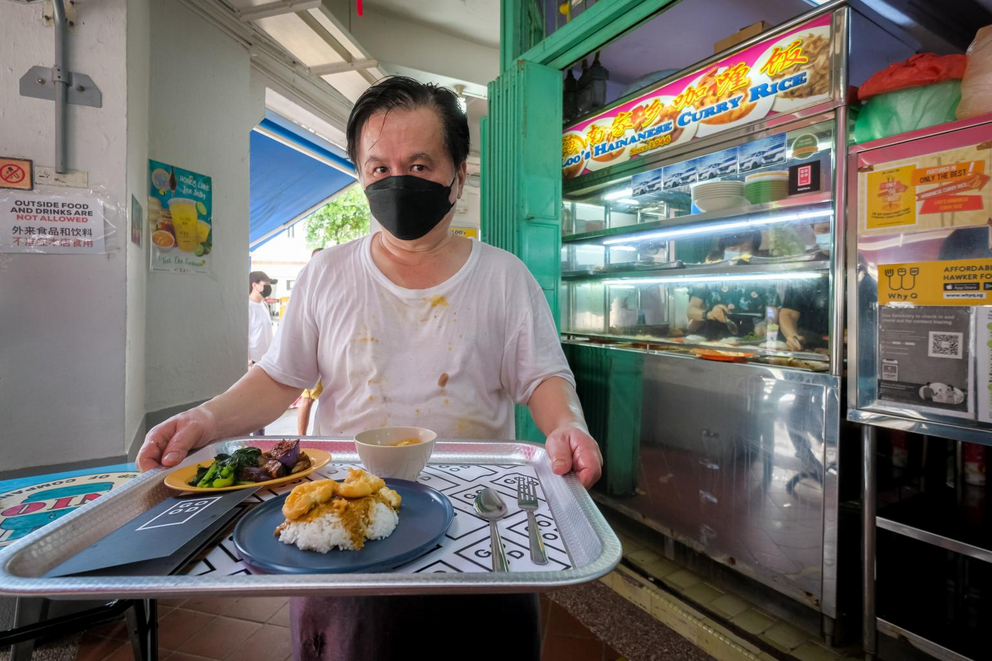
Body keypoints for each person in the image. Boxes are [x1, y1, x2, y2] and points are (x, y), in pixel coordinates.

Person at [137, 76, 602, 661]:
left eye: (420, 163)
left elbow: (542, 379)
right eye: (378, 168)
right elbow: (281, 378)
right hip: (345, 521)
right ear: (360, 176)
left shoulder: (505, 278)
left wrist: (568, 426)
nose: (397, 180)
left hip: (477, 528)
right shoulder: (327, 273)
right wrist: (205, 421)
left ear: (459, 174)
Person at [687, 231, 779, 339]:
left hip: (752, 336)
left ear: (753, 251)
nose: (739, 254)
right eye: (733, 249)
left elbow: (773, 309)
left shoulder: (763, 278)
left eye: (745, 249)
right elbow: (691, 310)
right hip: (714, 336)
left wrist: (766, 323)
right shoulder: (710, 275)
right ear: (724, 250)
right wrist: (709, 314)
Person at [297, 248, 324, 435]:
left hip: (333, 358)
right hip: (313, 358)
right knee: (307, 399)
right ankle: (301, 437)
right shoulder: (307, 283)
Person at [779, 276, 830, 354]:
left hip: (847, 346)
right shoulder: (802, 280)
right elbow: (788, 314)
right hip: (807, 344)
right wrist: (793, 337)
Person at [248, 270, 275, 367]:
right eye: (266, 283)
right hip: (254, 361)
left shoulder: (264, 304)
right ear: (254, 285)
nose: (268, 287)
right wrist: (248, 362)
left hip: (267, 359)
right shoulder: (248, 306)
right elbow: (245, 335)